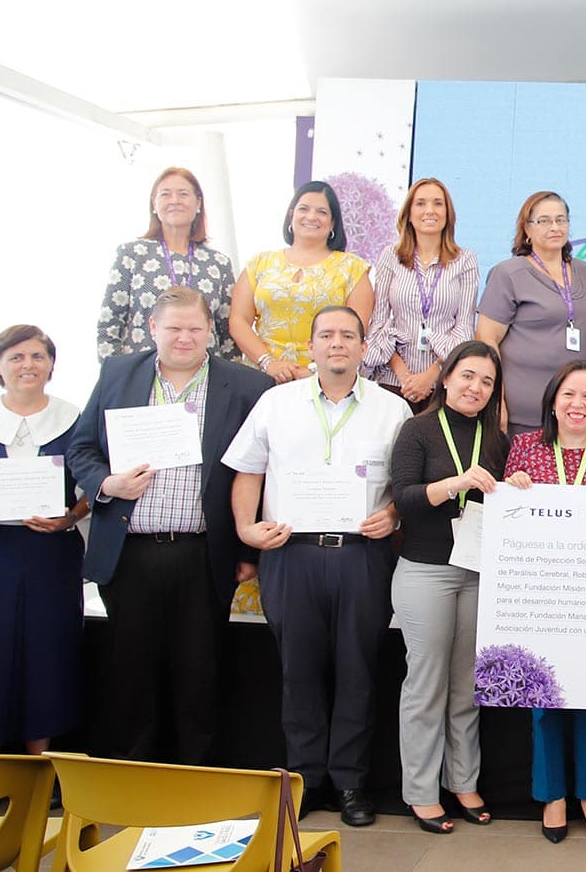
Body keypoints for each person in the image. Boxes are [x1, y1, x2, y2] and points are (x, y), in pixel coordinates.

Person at [224, 306, 412, 826]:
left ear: (362, 347)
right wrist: (245, 528)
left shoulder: (391, 409)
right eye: (326, 335)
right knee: (298, 672)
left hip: (362, 556)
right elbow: (247, 471)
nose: (337, 343)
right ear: (310, 347)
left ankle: (351, 783)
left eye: (348, 336)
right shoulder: (274, 403)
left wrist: (393, 513)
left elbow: (405, 484)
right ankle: (305, 780)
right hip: (290, 554)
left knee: (358, 671)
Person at [68, 287, 271, 764]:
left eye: (195, 328)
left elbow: (260, 471)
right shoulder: (118, 374)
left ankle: (198, 776)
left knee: (200, 673)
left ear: (211, 332)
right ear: (153, 328)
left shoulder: (244, 386)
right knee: (132, 671)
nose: (184, 337)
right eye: (174, 328)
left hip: (203, 552)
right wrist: (108, 484)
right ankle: (139, 773)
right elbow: (81, 448)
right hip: (129, 551)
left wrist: (248, 552)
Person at [503, 359, 586, 842]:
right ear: (553, 403)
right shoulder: (524, 448)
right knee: (544, 698)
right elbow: (506, 515)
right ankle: (553, 795)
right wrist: (512, 489)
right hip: (541, 595)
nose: (578, 405)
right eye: (569, 395)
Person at [388, 340, 508, 833]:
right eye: (467, 376)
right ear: (446, 377)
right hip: (425, 571)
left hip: (478, 573)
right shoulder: (416, 430)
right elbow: (404, 499)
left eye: (486, 381)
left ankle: (463, 781)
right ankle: (419, 790)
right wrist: (456, 485)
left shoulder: (498, 440)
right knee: (426, 685)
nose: (475, 387)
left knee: (466, 687)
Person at [0, 325, 87, 756]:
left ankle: (41, 764)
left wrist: (69, 519)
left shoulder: (75, 418)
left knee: (48, 651)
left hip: (51, 553)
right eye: (16, 357)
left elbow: (95, 482)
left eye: (37, 356)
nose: (27, 365)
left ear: (50, 365)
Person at [476, 190, 586, 436]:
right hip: (524, 418)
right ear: (527, 229)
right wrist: (496, 402)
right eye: (543, 221)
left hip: (580, 418)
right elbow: (486, 339)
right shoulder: (508, 273)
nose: (554, 227)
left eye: (561, 219)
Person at [229, 181, 374, 383]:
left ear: (333, 223)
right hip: (260, 376)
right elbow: (238, 320)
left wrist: (315, 371)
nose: (311, 217)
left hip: (323, 381)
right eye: (303, 209)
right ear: (291, 215)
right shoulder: (260, 263)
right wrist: (269, 363)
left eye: (322, 212)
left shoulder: (353, 269)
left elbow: (354, 332)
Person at [98, 167, 240, 361]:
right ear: (154, 205)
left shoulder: (219, 264)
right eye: (165, 194)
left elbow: (227, 333)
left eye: (183, 194)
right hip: (141, 373)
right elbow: (110, 322)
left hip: (204, 377)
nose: (175, 200)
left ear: (198, 203)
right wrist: (113, 377)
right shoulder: (131, 254)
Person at [363, 178, 479, 411]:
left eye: (438, 203)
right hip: (392, 381)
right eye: (420, 203)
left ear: (448, 213)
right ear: (408, 212)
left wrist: (432, 375)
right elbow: (379, 322)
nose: (430, 211)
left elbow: (465, 327)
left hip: (443, 383)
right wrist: (404, 375)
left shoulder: (465, 260)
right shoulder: (390, 257)